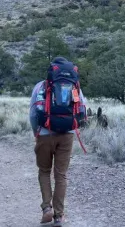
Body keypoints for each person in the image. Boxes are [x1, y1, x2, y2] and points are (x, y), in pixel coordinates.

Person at [29, 57, 87, 226]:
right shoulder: (74, 86)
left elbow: (33, 112)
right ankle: (59, 216)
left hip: (45, 133)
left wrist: (37, 132)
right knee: (61, 175)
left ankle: (47, 209)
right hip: (67, 134)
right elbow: (82, 109)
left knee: (44, 171)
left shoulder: (41, 86)